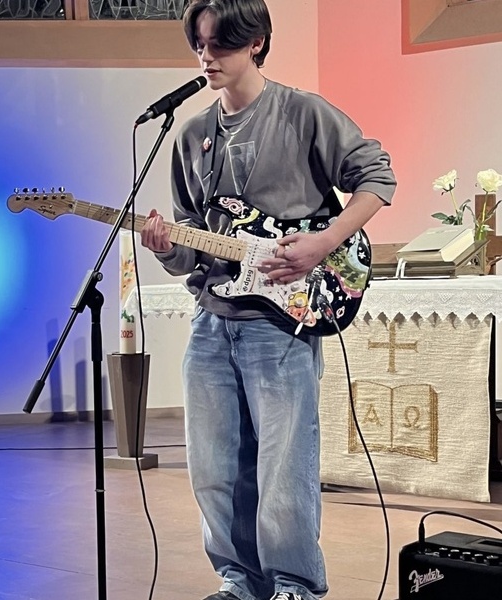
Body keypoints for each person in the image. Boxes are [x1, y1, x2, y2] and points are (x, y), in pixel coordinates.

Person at [140, 1, 396, 599]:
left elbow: (377, 177)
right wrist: (164, 247)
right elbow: (190, 245)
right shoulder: (192, 135)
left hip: (283, 320)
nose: (206, 57)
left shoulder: (303, 113)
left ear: (255, 42)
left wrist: (323, 242)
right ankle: (240, 582)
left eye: (220, 44)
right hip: (213, 317)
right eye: (199, 45)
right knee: (213, 467)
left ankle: (294, 586)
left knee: (284, 465)